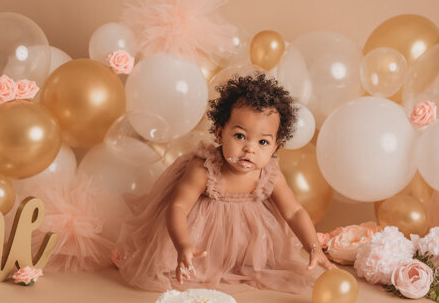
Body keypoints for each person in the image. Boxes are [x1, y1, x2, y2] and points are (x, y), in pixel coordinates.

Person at [115, 72, 333, 291]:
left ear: (275, 147)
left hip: (246, 244)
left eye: (263, 142)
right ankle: (190, 257)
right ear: (220, 134)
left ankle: (241, 263)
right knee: (178, 266)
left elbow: (294, 212)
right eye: (240, 136)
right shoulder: (204, 169)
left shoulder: (269, 174)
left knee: (263, 266)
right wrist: (183, 245)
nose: (250, 148)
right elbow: (178, 207)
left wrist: (313, 246)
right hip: (202, 243)